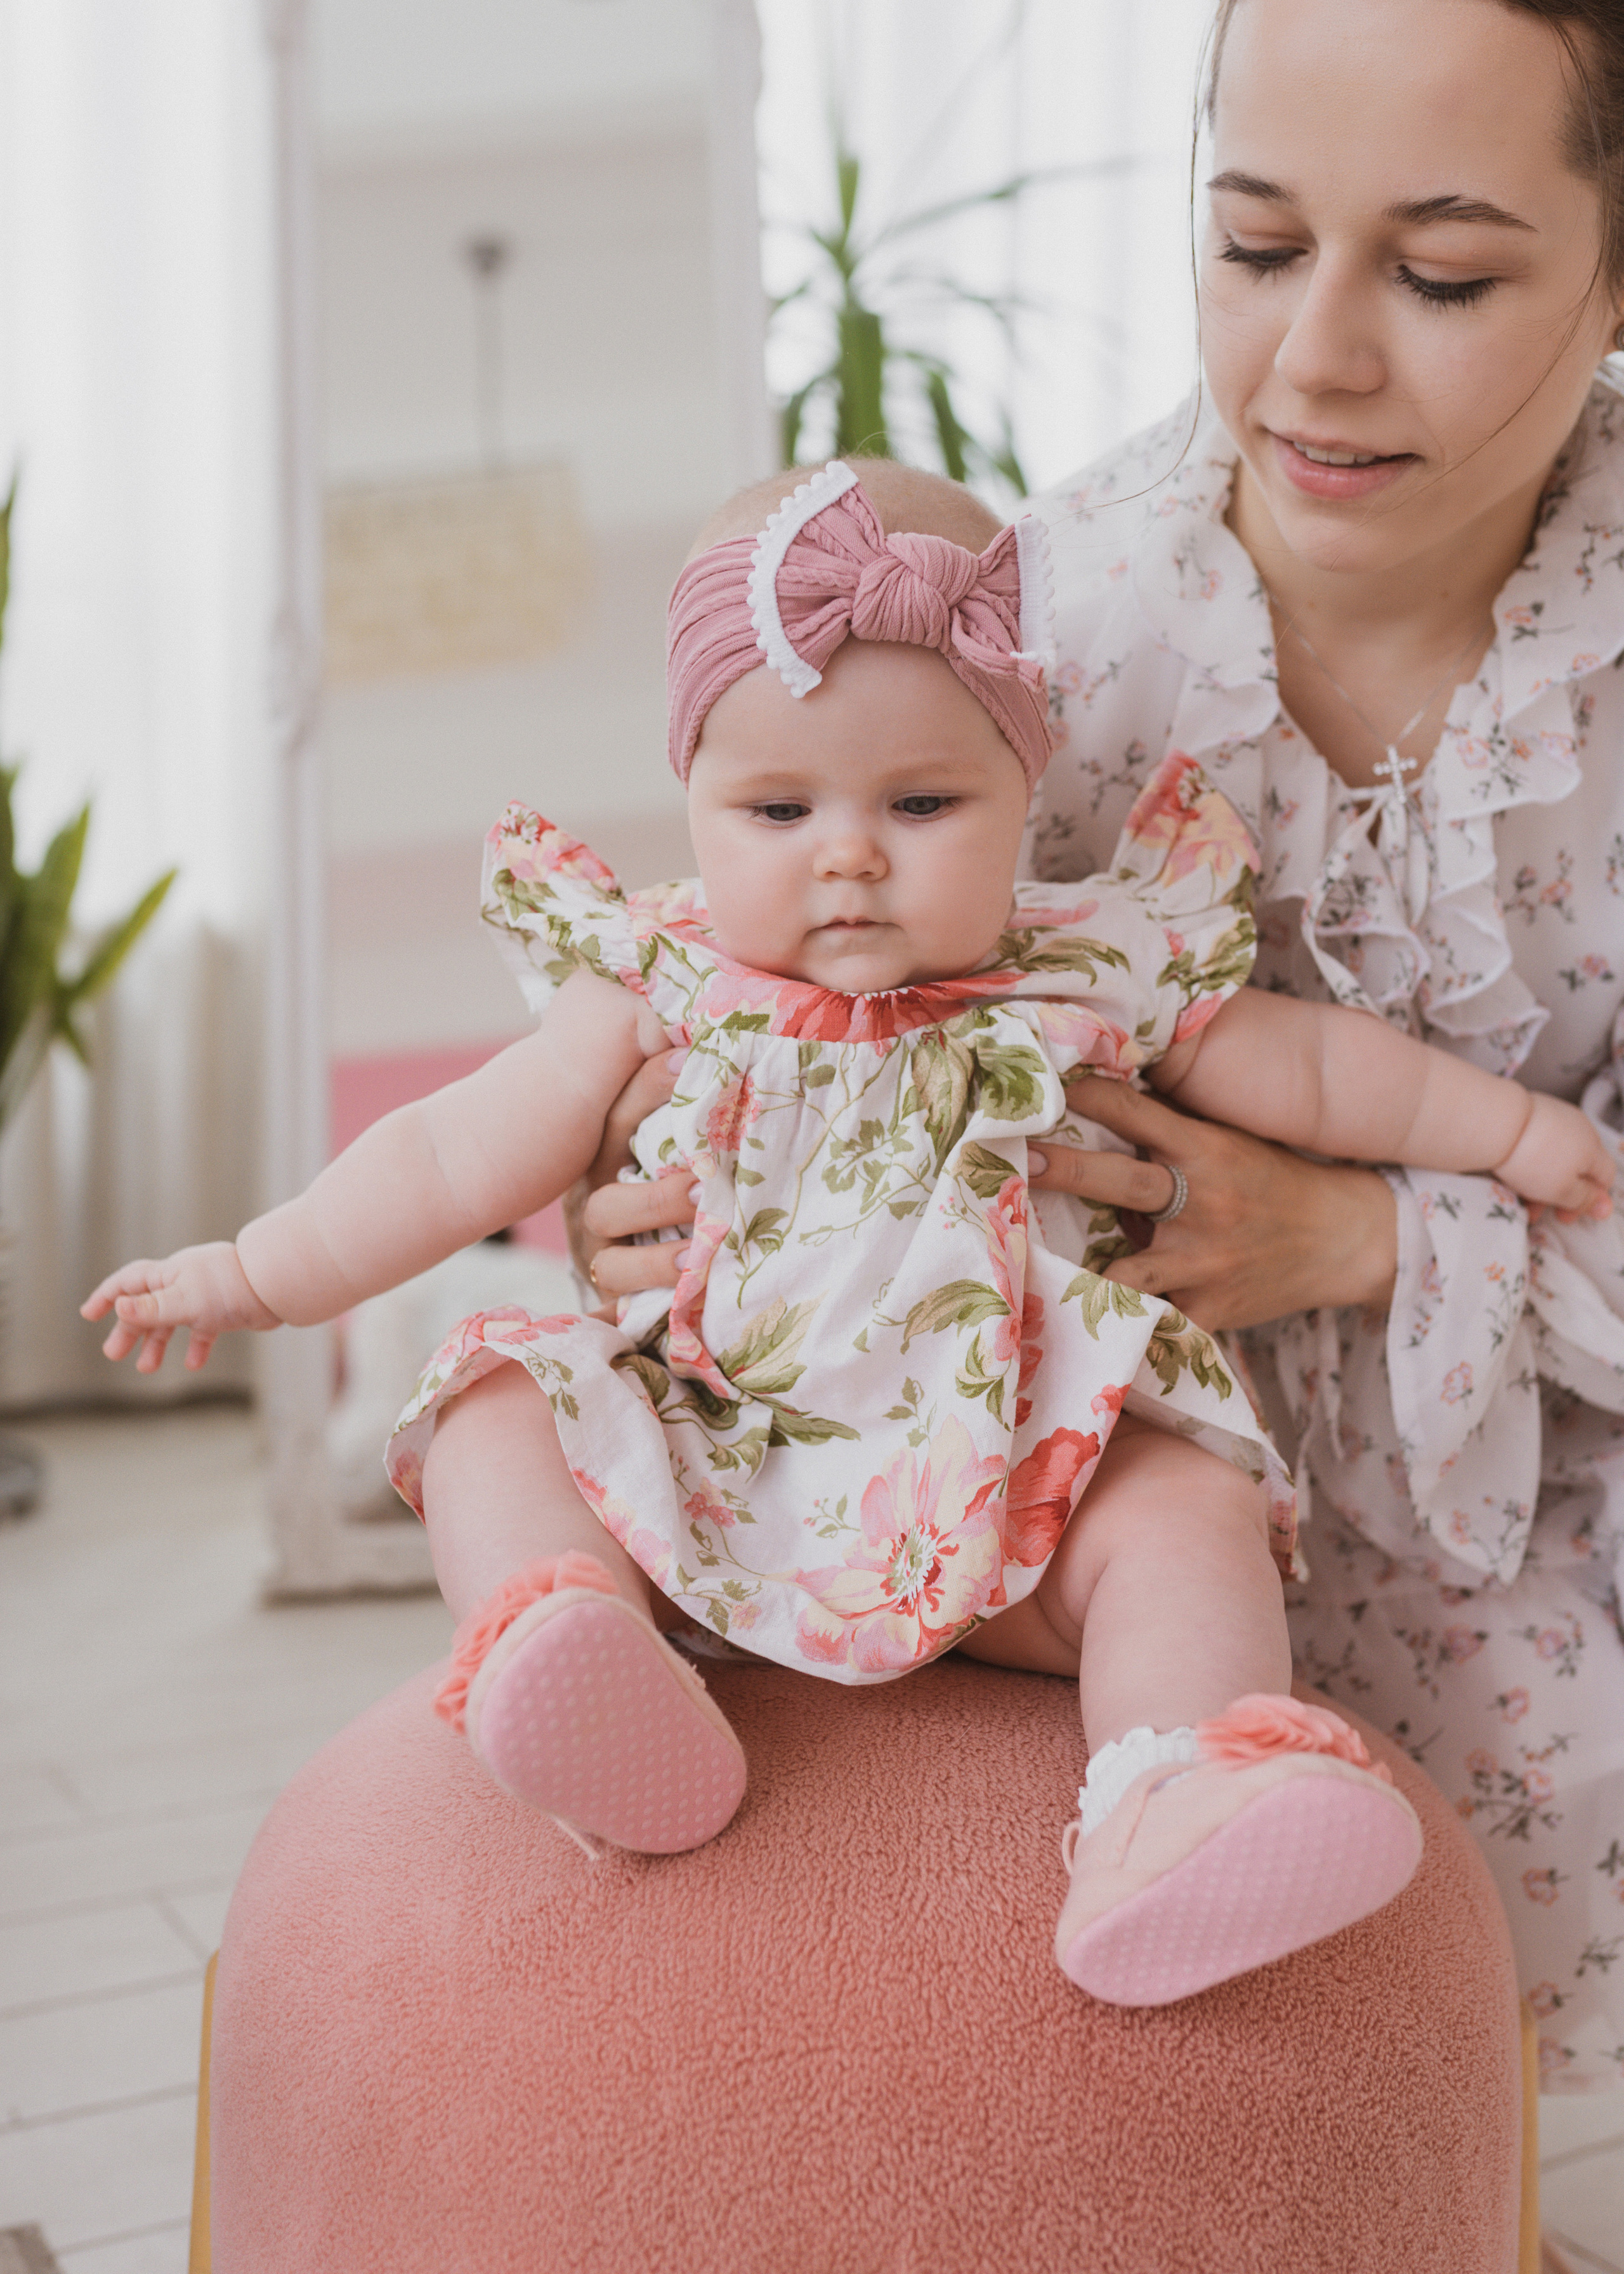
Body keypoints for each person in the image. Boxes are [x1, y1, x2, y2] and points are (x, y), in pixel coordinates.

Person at [84, 459, 1613, 2010]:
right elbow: (444, 1152)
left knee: (1180, 1510)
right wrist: (254, 1270)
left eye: (923, 803)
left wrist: (1506, 1133)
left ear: (1026, 789)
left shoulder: (1086, 959)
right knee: (490, 1398)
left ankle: (1166, 1795)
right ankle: (573, 1640)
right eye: (775, 806)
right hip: (701, 1481)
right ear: (689, 793)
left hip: (1015, 1501)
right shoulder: (655, 979)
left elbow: (1309, 1063)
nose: (848, 853)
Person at [587, 0, 1624, 2088]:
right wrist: (656, 1211)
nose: (1312, 361)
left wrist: (1366, 1238)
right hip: (1052, 1563)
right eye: (1251, 244)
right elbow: (777, 981)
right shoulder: (1020, 630)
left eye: (1440, 274)